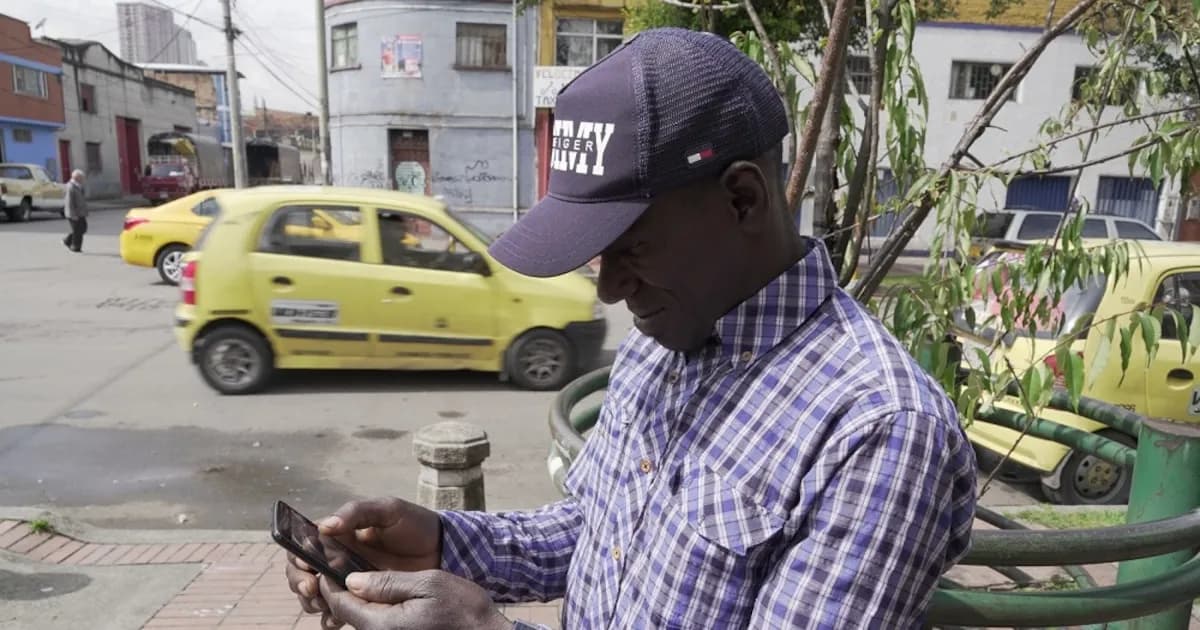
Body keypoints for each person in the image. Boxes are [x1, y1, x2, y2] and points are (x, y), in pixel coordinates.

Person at [286, 27, 977, 629]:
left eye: (632, 246)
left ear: (742, 200)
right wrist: (441, 543)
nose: (610, 288)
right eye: (596, 252)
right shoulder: (666, 336)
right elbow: (596, 528)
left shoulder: (880, 432)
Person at [62, 170, 88, 253]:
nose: (83, 179)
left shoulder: (79, 186)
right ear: (77, 177)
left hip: (81, 212)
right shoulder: (70, 187)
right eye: (81, 178)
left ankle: (67, 240)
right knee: (77, 231)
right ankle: (76, 247)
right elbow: (69, 202)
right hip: (74, 213)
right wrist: (72, 215)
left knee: (83, 228)